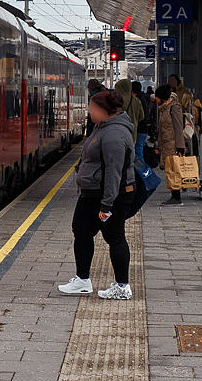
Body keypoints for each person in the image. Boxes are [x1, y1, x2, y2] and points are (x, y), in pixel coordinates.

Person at [58, 89, 141, 300]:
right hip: (92, 193)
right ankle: (82, 281)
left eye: (92, 108)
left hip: (109, 195)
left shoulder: (114, 134)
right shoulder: (101, 127)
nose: (88, 112)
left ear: (105, 110)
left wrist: (107, 205)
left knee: (114, 237)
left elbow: (114, 172)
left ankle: (122, 287)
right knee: (82, 231)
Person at [155, 85, 186, 204]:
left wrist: (180, 146)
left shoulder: (174, 108)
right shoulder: (164, 108)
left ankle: (176, 196)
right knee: (169, 170)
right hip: (166, 144)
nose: (156, 99)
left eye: (157, 97)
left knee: (173, 170)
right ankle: (175, 195)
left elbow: (178, 127)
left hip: (173, 144)